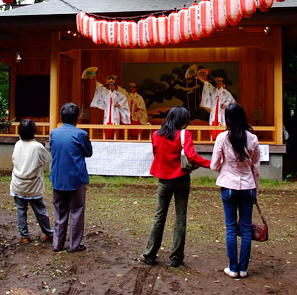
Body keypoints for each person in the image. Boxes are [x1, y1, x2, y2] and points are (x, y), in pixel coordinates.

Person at [140, 106, 211, 268]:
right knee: (180, 217)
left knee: (159, 216)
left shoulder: (156, 135)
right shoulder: (184, 135)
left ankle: (150, 254)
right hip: (182, 179)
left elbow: (156, 152)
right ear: (182, 120)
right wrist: (210, 164)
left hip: (164, 180)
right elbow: (191, 156)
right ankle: (176, 257)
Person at [210, 103, 260, 279]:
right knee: (246, 229)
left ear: (227, 119)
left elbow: (214, 165)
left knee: (231, 228)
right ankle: (243, 268)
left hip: (228, 186)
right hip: (248, 186)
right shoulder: (252, 138)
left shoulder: (222, 138)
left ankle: (232, 268)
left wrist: (226, 166)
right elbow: (256, 168)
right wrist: (256, 190)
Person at [49, 102, 92, 252]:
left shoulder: (54, 133)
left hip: (58, 176)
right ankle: (74, 244)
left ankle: (57, 243)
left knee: (59, 210)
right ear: (77, 118)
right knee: (77, 210)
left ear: (62, 117)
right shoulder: (81, 134)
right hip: (76, 177)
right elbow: (88, 152)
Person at [11, 119, 53, 243]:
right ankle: (48, 232)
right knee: (40, 210)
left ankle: (24, 235)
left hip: (18, 183)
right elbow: (46, 159)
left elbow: (14, 159)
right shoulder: (37, 147)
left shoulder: (18, 144)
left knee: (21, 210)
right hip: (33, 184)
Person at [90, 75, 130, 139]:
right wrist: (95, 80)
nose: (111, 86)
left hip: (115, 112)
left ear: (115, 86)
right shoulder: (106, 92)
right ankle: (106, 137)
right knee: (106, 123)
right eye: (110, 85)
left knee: (115, 123)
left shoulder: (117, 94)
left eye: (112, 85)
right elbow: (100, 87)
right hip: (107, 111)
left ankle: (115, 137)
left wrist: (119, 104)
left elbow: (125, 99)